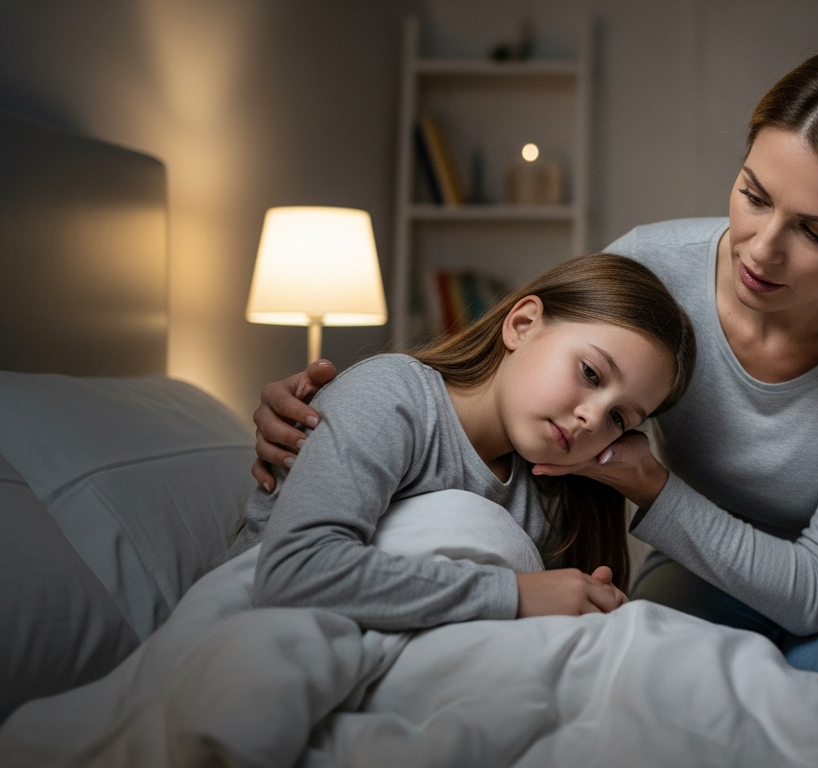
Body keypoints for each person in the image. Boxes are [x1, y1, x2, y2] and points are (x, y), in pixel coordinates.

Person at [254, 46, 818, 688]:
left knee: (815, 715)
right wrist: (334, 419)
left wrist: (650, 484)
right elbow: (520, 371)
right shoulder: (651, 265)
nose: (760, 248)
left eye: (815, 232)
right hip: (707, 560)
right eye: (754, 196)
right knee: (635, 691)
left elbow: (816, 592)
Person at [228, 254, 696, 630]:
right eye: (590, 373)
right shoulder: (394, 396)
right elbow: (293, 572)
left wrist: (580, 609)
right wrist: (517, 594)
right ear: (523, 324)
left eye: (618, 418)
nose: (592, 419)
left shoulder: (552, 497)